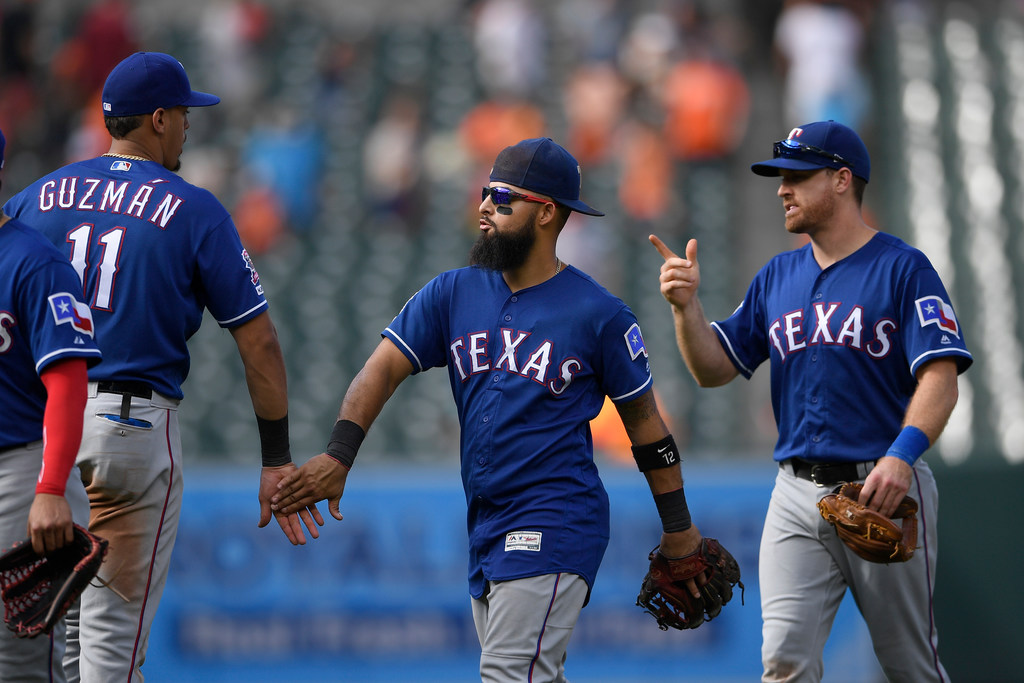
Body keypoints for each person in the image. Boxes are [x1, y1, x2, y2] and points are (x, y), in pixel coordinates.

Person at [273, 137, 710, 682]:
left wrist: (679, 529)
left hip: (556, 521)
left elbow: (647, 428)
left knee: (507, 674)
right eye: (485, 192)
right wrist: (340, 455)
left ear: (547, 213)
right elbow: (380, 369)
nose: (484, 206)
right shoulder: (452, 293)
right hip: (487, 523)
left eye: (502, 197)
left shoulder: (600, 314)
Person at [2, 52, 322, 682]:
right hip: (129, 432)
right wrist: (277, 456)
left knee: (50, 655)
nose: (186, 125)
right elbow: (257, 341)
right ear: (155, 119)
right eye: (180, 113)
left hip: (46, 440)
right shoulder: (194, 208)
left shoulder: (38, 195)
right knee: (108, 657)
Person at [650, 120, 972, 682]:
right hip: (795, 493)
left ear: (842, 180)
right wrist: (685, 309)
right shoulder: (778, 275)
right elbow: (713, 369)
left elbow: (942, 379)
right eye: (781, 177)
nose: (782, 188)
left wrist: (903, 454)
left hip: (883, 486)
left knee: (909, 666)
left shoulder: (903, 269)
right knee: (784, 662)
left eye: (798, 176)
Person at [0, 126, 103, 681]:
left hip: (18, 467)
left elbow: (68, 383)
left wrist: (49, 488)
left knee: (20, 659)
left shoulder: (36, 262)